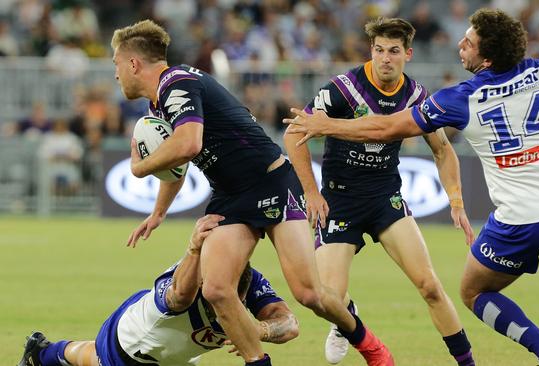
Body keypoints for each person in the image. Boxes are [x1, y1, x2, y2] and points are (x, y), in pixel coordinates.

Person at [285, 8, 539, 366]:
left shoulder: (455, 98)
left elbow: (400, 134)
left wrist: (327, 126)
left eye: (469, 42)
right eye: (379, 49)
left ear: (486, 57)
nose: (460, 44)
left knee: (464, 290)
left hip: (496, 215)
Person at [111, 20, 393, 366]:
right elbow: (178, 166)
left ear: (133, 63)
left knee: (310, 294)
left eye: (116, 64)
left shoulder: (177, 84)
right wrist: (158, 213)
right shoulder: (159, 104)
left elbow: (188, 144)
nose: (116, 74)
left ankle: (371, 347)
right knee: (216, 289)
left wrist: (139, 168)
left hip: (272, 182)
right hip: (231, 195)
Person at [283, 17, 475, 366]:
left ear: (408, 54)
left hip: (386, 198)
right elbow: (294, 134)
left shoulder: (416, 95)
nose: (385, 58)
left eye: (393, 51)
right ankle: (348, 316)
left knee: (430, 286)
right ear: (371, 50)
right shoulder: (343, 88)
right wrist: (311, 192)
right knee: (327, 300)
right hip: (339, 202)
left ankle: (467, 363)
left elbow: (443, 150)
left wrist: (457, 200)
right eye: (379, 50)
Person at [17, 214, 300, 366]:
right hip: (131, 346)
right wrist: (193, 249)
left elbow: (289, 325)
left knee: (89, 356)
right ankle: (45, 354)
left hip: (176, 356)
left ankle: (40, 352)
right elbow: (178, 297)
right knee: (93, 358)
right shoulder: (190, 277)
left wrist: (258, 330)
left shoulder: (248, 278)